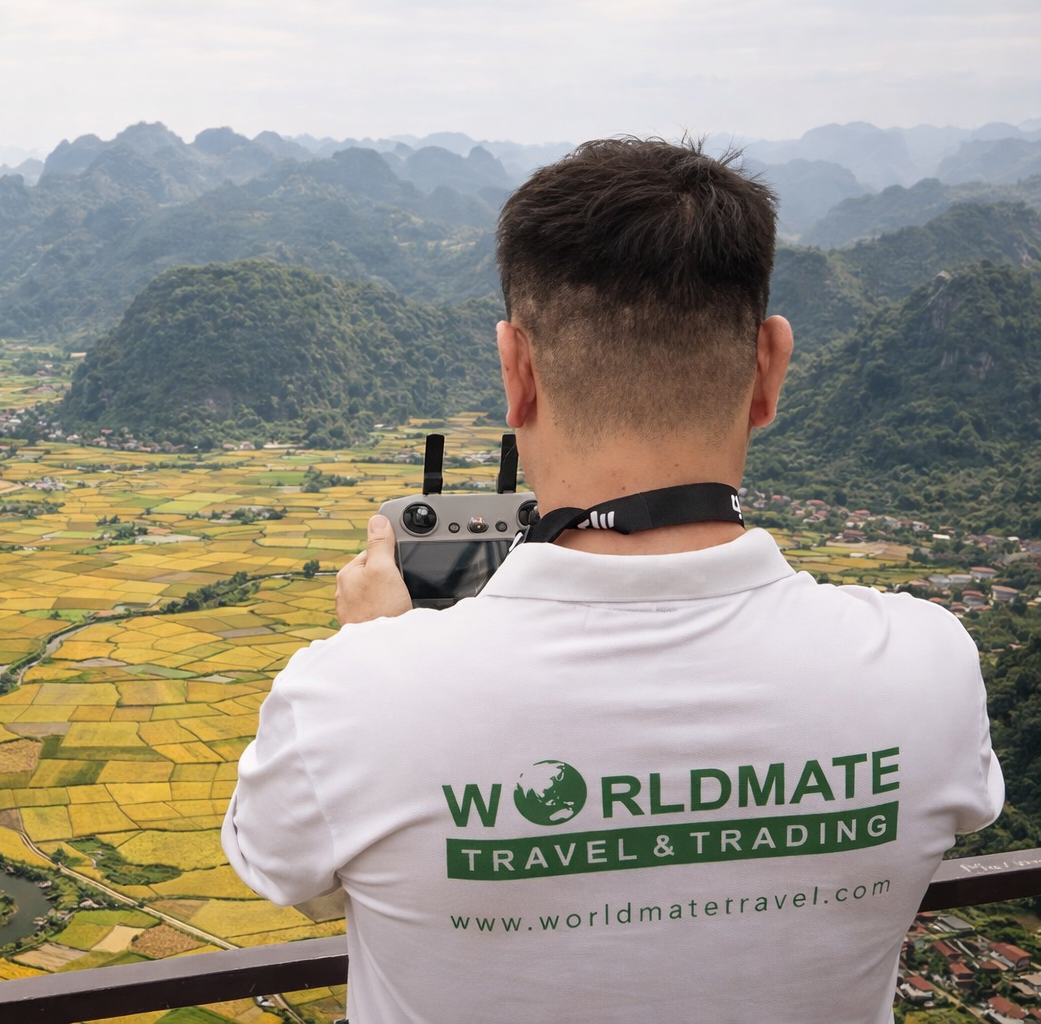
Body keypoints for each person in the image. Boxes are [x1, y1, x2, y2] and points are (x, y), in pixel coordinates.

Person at [220, 137, 1003, 1022]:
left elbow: (297, 878)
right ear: (770, 369)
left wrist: (380, 651)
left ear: (517, 372)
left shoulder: (348, 696)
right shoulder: (927, 662)